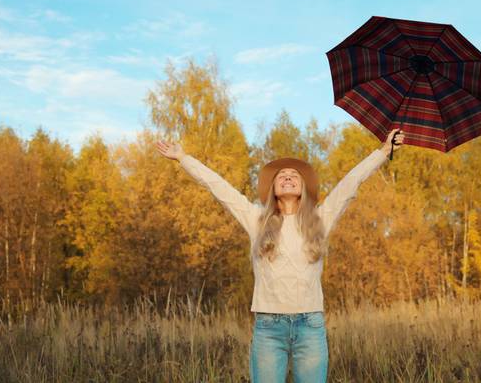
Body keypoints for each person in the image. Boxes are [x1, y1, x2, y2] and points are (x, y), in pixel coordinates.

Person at [155, 128, 405, 383]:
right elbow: (219, 187)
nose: (287, 176)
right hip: (268, 328)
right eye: (281, 175)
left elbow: (350, 183)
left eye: (293, 175)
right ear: (273, 188)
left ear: (303, 187)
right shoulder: (256, 220)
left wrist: (384, 152)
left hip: (310, 327)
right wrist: (183, 158)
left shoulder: (320, 218)